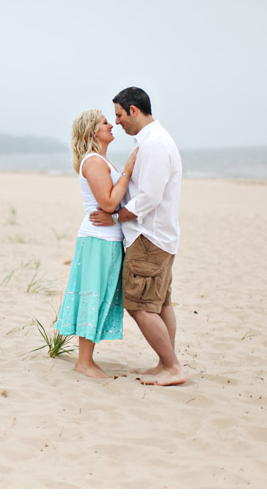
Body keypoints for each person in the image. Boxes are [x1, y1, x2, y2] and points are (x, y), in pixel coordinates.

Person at [90, 87, 186, 386]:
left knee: (140, 306)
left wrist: (115, 216)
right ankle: (165, 363)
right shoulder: (153, 141)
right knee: (160, 304)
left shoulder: (155, 145)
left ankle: (172, 367)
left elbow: (149, 199)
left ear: (133, 110)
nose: (117, 122)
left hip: (148, 237)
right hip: (159, 236)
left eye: (119, 115)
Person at [54, 110, 137, 379]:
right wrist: (128, 170)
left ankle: (87, 360)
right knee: (92, 293)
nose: (111, 125)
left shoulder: (101, 160)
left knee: (99, 294)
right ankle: (84, 362)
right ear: (91, 131)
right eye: (104, 122)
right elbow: (110, 203)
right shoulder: (93, 161)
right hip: (97, 239)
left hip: (107, 238)